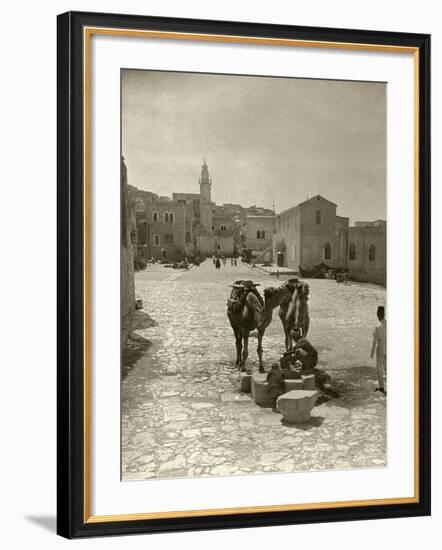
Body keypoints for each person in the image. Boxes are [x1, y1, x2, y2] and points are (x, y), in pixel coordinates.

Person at [371, 305, 387, 395]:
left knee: (379, 369)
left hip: (380, 349)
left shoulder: (377, 327)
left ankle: (381, 387)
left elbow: (374, 341)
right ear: (384, 314)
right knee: (387, 368)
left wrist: (372, 353)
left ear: (378, 314)